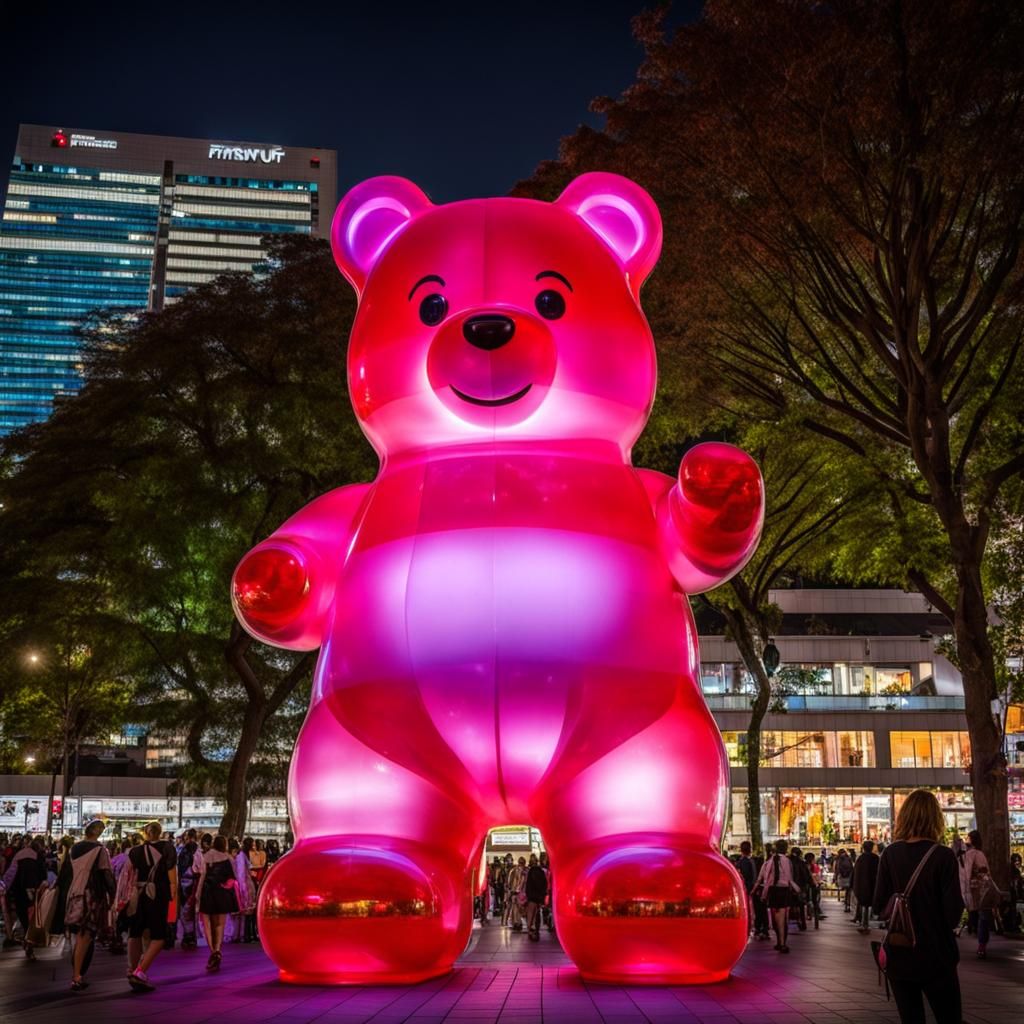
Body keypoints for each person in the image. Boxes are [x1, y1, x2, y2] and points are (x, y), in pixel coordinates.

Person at [873, 789, 963, 1024]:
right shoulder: (943, 856)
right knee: (949, 1017)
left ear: (904, 817)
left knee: (911, 1019)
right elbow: (953, 914)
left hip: (900, 953)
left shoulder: (890, 853)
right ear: (935, 818)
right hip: (937, 954)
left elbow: (878, 905)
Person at [60, 819, 115, 991]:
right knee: (86, 936)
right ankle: (77, 976)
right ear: (97, 831)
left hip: (74, 893)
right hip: (90, 895)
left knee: (79, 937)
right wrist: (113, 895)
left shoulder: (74, 848)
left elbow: (66, 871)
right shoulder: (100, 850)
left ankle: (78, 972)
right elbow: (106, 874)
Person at [123, 820, 178, 992]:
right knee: (159, 936)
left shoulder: (135, 851)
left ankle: (132, 968)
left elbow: (128, 875)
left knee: (136, 931)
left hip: (138, 894)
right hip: (157, 894)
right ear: (160, 833)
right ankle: (141, 970)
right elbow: (172, 876)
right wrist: (173, 894)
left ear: (146, 833)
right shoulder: (167, 848)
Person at [197, 835, 240, 971]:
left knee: (207, 924)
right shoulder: (228, 858)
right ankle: (217, 949)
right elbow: (233, 878)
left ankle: (213, 952)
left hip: (207, 892)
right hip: (221, 893)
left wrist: (198, 895)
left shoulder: (205, 856)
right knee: (219, 925)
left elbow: (202, 876)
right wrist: (225, 886)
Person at [0, 835, 46, 958]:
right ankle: (30, 941)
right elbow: (43, 875)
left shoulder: (18, 855)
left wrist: (5, 887)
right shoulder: (38, 856)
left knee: (23, 916)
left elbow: (10, 874)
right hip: (33, 891)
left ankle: (27, 937)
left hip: (18, 891)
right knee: (33, 917)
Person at [753, 839, 800, 953]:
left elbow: (765, 878)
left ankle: (780, 941)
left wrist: (762, 893)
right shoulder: (786, 861)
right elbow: (789, 878)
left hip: (773, 890)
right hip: (783, 890)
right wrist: (796, 888)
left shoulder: (770, 861)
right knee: (782, 918)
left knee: (775, 917)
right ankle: (782, 943)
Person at [957, 829, 993, 958]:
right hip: (978, 890)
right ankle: (981, 945)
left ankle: (981, 945)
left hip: (977, 890)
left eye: (968, 838)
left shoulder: (973, 855)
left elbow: (982, 872)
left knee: (982, 916)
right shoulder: (974, 854)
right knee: (982, 916)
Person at [852, 839, 879, 933]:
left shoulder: (860, 859)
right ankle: (865, 924)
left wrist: (854, 885)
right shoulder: (875, 858)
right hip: (872, 885)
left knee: (864, 904)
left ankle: (863, 924)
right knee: (868, 905)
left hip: (860, 885)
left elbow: (855, 873)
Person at [233, 837, 257, 942]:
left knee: (249, 911)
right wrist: (243, 888)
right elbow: (241, 873)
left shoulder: (244, 855)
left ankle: (247, 934)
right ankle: (245, 934)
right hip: (245, 885)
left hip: (248, 884)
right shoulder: (242, 856)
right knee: (246, 911)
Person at [523, 853, 548, 941]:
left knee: (530, 914)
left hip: (531, 897)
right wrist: (542, 895)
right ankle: (536, 930)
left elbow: (528, 886)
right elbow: (544, 884)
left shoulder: (530, 872)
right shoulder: (541, 872)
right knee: (537, 914)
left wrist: (527, 895)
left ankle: (530, 930)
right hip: (538, 897)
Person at [736, 840, 757, 933]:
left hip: (746, 888)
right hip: (750, 887)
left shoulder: (743, 861)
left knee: (747, 908)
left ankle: (747, 926)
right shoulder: (750, 861)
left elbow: (744, 876)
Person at [505, 857, 527, 931]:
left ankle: (515, 922)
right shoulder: (517, 870)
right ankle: (515, 922)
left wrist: (511, 889)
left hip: (518, 891)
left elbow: (510, 881)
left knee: (516, 907)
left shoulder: (518, 870)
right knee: (516, 907)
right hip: (518, 891)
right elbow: (511, 880)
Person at [805, 851, 824, 921]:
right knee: (814, 900)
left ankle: (812, 914)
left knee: (810, 901)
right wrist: (816, 882)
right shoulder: (810, 866)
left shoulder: (807, 866)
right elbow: (812, 876)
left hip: (809, 886)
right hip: (812, 886)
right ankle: (815, 914)